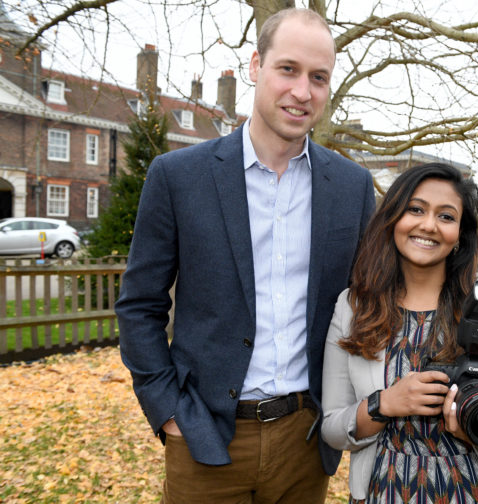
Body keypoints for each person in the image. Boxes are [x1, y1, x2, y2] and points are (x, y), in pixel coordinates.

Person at [115, 8, 376, 504]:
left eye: (318, 77)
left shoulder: (351, 187)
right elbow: (139, 305)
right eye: (288, 69)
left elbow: (385, 288)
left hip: (305, 439)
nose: (303, 91)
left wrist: (470, 297)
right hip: (204, 436)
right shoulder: (177, 177)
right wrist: (167, 408)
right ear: (256, 65)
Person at [321, 163, 478, 504]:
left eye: (446, 216)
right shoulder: (354, 308)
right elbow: (334, 428)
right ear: (393, 218)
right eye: (416, 209)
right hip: (385, 492)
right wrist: (385, 404)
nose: (428, 225)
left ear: (460, 233)